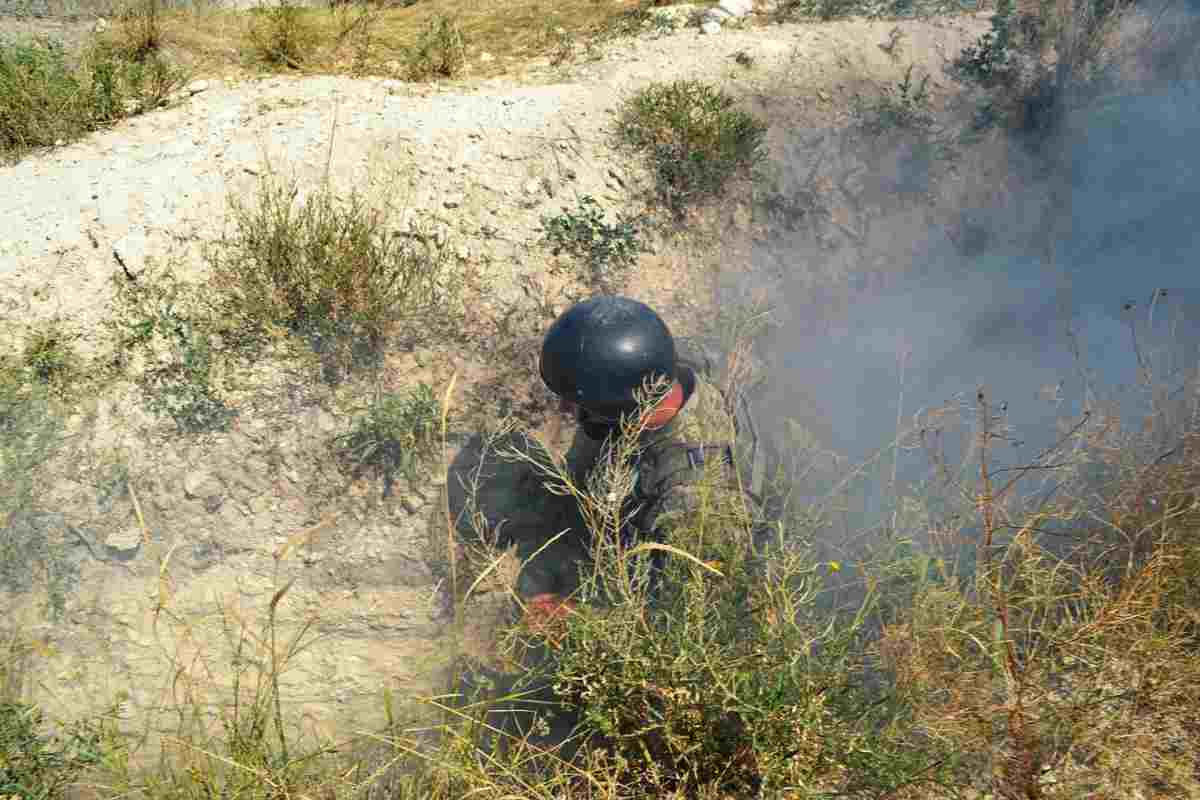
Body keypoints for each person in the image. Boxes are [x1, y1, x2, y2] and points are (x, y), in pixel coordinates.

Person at [534, 294, 768, 606]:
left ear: (624, 405)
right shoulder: (660, 361)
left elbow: (700, 617)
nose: (564, 408)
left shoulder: (696, 506)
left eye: (577, 400)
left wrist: (579, 615)